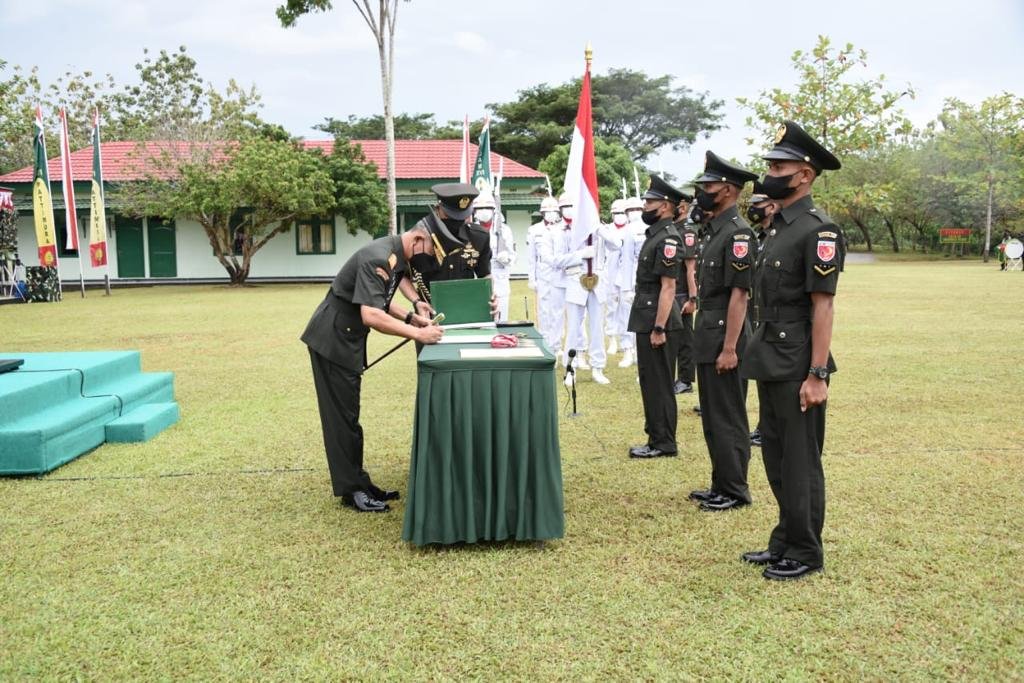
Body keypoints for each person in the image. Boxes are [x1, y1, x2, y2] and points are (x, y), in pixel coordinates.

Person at [740, 120, 843, 580]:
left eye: (779, 165)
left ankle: (805, 550)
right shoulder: (777, 227)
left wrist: (817, 373)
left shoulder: (818, 231)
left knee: (800, 459)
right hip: (769, 356)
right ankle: (784, 537)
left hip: (799, 360)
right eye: (770, 164)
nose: (770, 172)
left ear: (804, 174)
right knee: (777, 454)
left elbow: (823, 306)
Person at [302, 224, 445, 512]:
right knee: (342, 420)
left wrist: (411, 318)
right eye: (427, 254)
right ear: (417, 239)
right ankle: (352, 491)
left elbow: (380, 300)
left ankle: (360, 482)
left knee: (350, 416)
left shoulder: (393, 256)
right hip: (333, 341)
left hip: (344, 338)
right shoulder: (379, 257)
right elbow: (370, 314)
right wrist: (418, 334)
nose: (423, 262)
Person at [683, 151, 758, 512]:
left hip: (725, 338)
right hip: (709, 334)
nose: (703, 191)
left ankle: (735, 489)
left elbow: (738, 295)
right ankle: (720, 482)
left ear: (728, 190)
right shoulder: (714, 230)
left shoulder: (739, 233)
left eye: (709, 185)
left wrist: (730, 348)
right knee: (713, 415)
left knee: (728, 415)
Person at [627, 175, 686, 458]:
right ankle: (655, 436)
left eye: (649, 202)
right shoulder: (658, 235)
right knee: (650, 381)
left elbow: (669, 287)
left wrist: (659, 327)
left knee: (660, 383)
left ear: (664, 206)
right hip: (647, 314)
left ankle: (664, 443)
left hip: (657, 319)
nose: (645, 207)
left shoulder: (669, 238)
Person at [400, 182, 492, 317]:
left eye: (462, 215)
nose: (458, 221)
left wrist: (491, 295)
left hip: (469, 313)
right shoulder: (418, 238)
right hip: (429, 314)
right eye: (452, 216)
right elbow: (403, 276)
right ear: (438, 208)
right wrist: (417, 301)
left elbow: (485, 274)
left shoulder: (479, 237)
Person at [562, 193, 621, 385]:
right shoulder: (566, 231)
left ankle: (598, 367)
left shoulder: (598, 229)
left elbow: (616, 245)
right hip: (575, 280)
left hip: (597, 282)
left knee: (597, 328)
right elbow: (556, 260)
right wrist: (579, 255)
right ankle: (570, 368)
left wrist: (600, 229)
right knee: (573, 329)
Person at [538, 192, 595, 367]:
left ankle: (579, 353)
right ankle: (554, 351)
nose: (569, 210)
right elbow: (551, 260)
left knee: (578, 319)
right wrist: (578, 256)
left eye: (572, 207)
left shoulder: (585, 230)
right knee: (556, 319)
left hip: (578, 281)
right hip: (559, 281)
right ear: (560, 209)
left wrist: (569, 258)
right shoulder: (552, 232)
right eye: (566, 207)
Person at [743, 181, 780, 448]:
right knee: (761, 373)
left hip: (773, 315)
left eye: (758, 204)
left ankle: (766, 428)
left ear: (771, 206)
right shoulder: (760, 236)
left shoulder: (777, 235)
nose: (753, 209)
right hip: (755, 310)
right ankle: (763, 427)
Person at [474, 190, 515, 320]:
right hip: (478, 282)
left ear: (493, 210)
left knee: (501, 322)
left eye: (487, 208)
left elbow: (513, 256)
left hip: (500, 281)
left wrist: (506, 259)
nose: (484, 211)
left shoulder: (504, 230)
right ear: (474, 211)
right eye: (480, 208)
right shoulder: (470, 230)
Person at [528, 196, 563, 349]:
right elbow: (531, 257)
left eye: (554, 211)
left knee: (558, 310)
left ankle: (556, 343)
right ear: (542, 213)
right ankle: (544, 340)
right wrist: (532, 278)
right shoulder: (534, 230)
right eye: (547, 211)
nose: (550, 214)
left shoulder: (563, 228)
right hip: (543, 275)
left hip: (559, 274)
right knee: (543, 310)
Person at [673, 193, 699, 395]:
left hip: (682, 293)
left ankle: (685, 379)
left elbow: (691, 268)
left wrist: (692, 298)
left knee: (685, 339)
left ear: (682, 208)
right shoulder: (672, 230)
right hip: (671, 291)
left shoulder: (687, 233)